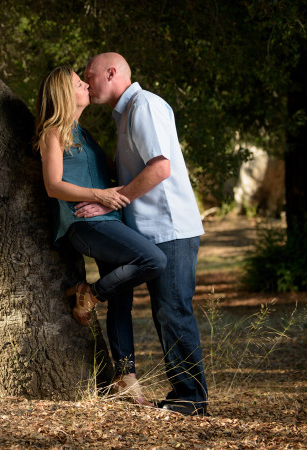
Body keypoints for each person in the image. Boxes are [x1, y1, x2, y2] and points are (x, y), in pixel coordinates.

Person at [81, 52, 208, 416]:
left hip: (171, 228)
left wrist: (111, 203)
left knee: (173, 311)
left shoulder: (144, 106)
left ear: (112, 73)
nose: (87, 84)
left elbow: (160, 169)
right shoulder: (126, 113)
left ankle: (192, 399)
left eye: (90, 76)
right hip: (150, 230)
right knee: (165, 312)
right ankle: (181, 394)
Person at [33, 66, 167, 406]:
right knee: (153, 259)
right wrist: (99, 196)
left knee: (122, 296)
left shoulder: (85, 133)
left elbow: (114, 169)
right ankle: (88, 293)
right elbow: (53, 185)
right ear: (66, 94)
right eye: (80, 83)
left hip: (110, 220)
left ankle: (126, 379)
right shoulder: (53, 132)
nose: (86, 85)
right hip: (85, 225)